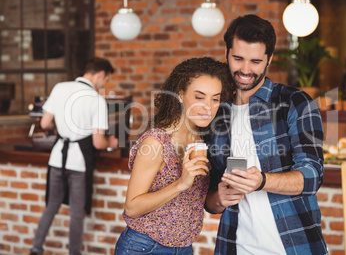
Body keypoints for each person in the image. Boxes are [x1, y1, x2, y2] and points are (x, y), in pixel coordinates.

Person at [204, 14, 328, 254]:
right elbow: (210, 200)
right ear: (227, 53)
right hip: (235, 247)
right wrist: (219, 199)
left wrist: (262, 181)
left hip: (295, 245)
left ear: (269, 59)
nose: (245, 70)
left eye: (255, 61)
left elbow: (313, 175)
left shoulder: (295, 102)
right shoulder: (215, 112)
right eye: (238, 58)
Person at [114, 57, 234, 255]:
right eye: (199, 97)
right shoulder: (156, 142)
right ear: (180, 94)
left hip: (184, 248)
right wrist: (181, 183)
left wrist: (221, 197)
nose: (208, 107)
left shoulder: (204, 141)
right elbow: (132, 207)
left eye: (215, 99)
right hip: (144, 247)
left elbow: (200, 200)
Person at [30, 57, 119, 255]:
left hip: (56, 157)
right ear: (100, 75)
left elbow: (44, 123)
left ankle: (36, 249)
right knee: (76, 213)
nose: (103, 84)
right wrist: (111, 143)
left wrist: (61, 128)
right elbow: (98, 142)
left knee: (51, 206)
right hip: (78, 162)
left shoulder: (60, 87)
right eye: (105, 80)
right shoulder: (96, 99)